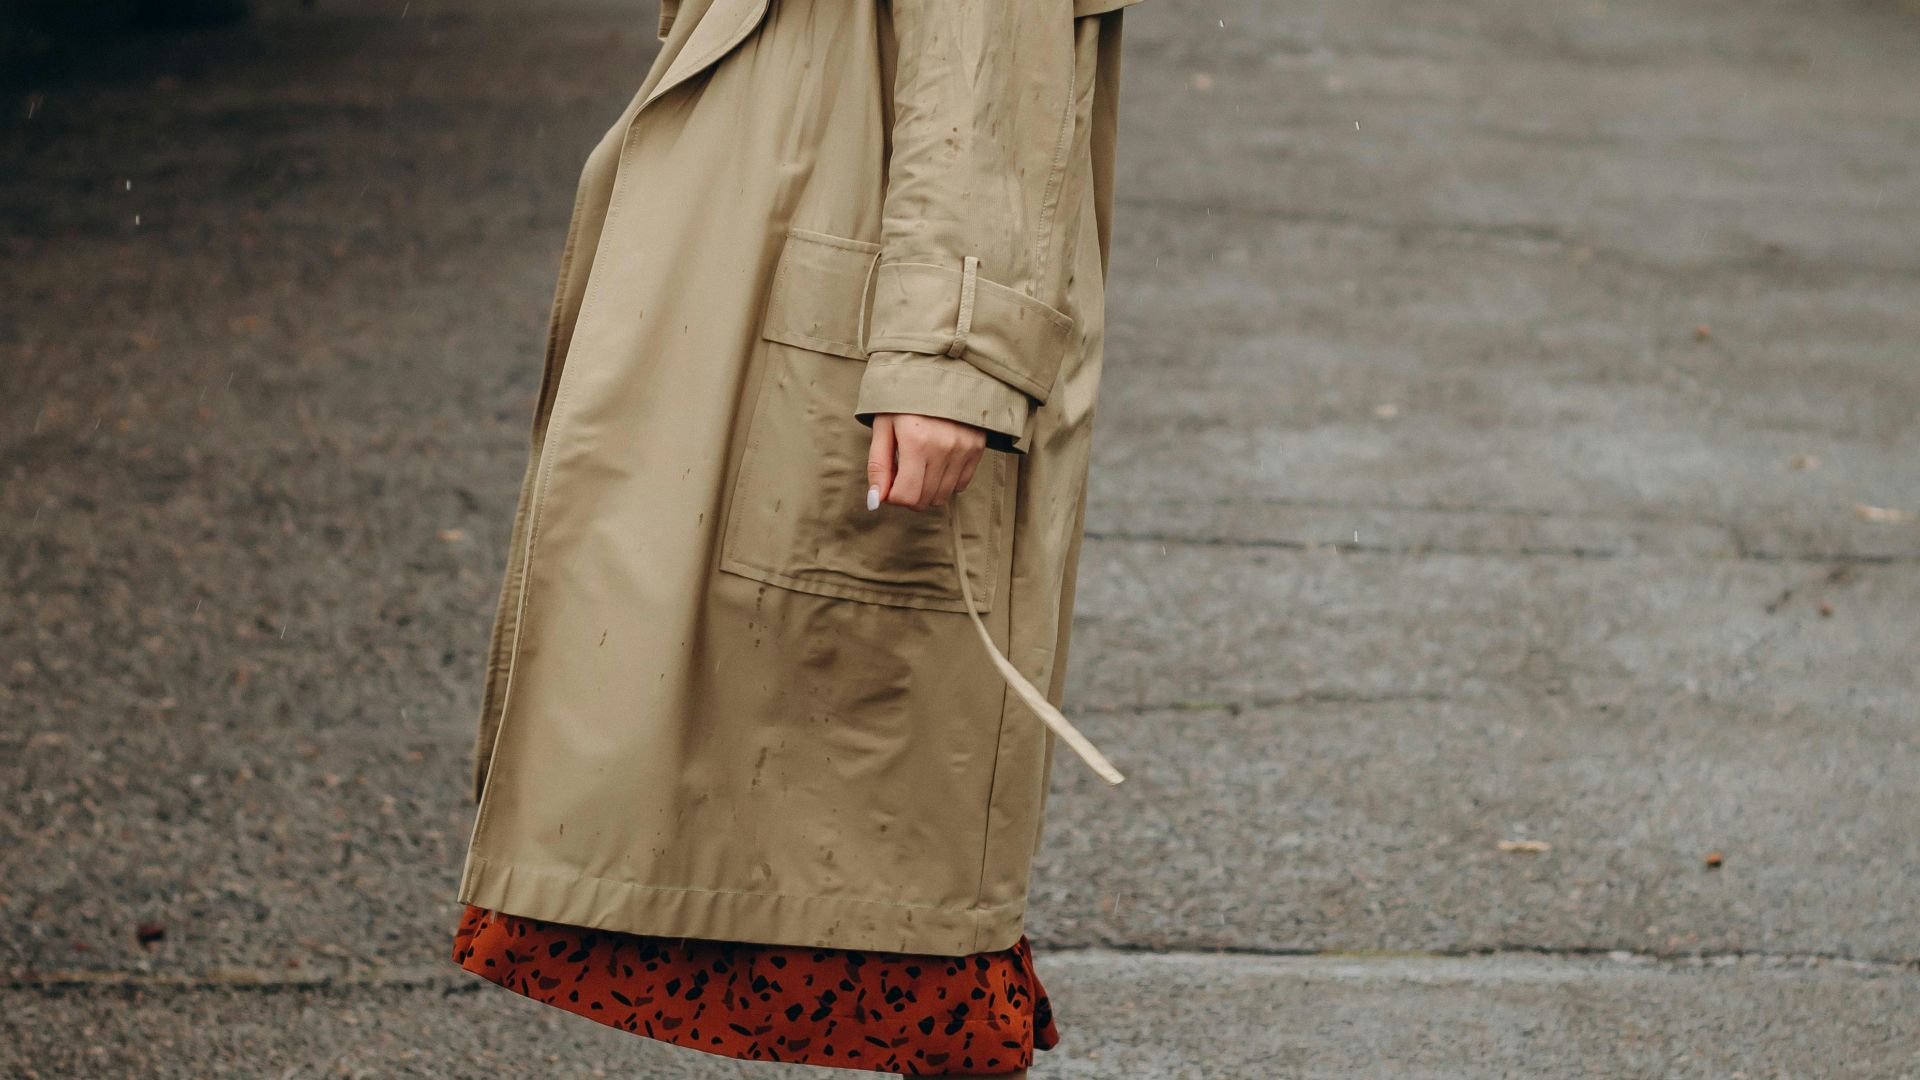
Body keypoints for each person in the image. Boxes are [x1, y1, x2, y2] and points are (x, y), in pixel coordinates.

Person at [451, 0, 1143, 1074]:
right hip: (787, 228)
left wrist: (948, 354)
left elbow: (985, 71)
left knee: (895, 837)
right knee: (775, 793)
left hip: (861, 283)